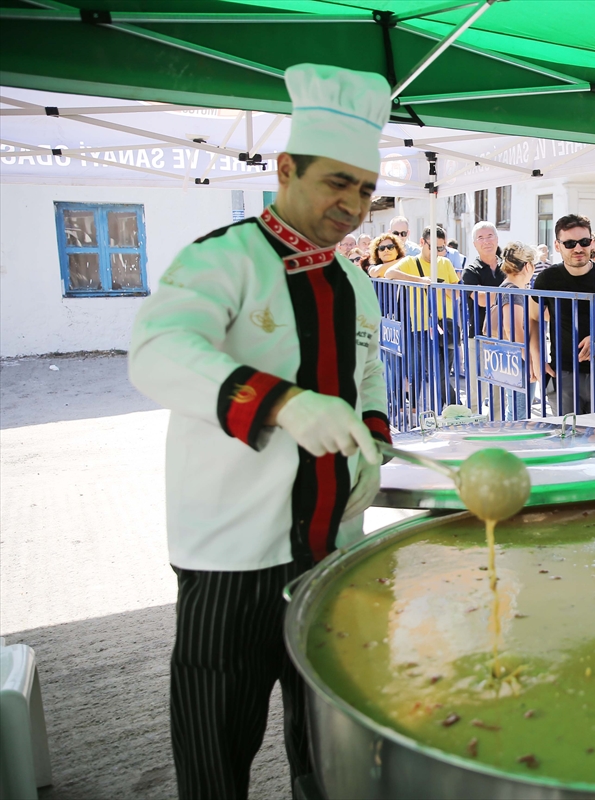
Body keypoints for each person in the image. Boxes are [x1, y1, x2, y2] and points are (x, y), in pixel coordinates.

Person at [127, 63, 392, 800]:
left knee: (329, 735)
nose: (353, 205)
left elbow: (367, 380)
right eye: (337, 182)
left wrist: (374, 438)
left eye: (366, 190)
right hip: (233, 552)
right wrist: (282, 403)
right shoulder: (222, 259)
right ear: (284, 168)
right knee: (217, 739)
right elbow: (154, 353)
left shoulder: (356, 281)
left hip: (333, 544)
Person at [530, 214, 595, 416]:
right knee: (568, 439)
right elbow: (533, 318)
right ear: (558, 245)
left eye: (584, 242)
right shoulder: (547, 278)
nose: (578, 248)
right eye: (570, 243)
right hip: (563, 372)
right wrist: (538, 358)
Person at [385, 226, 462, 410]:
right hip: (422, 326)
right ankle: (456, 407)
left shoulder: (445, 263)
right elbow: (389, 274)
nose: (436, 252)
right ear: (422, 242)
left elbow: (457, 293)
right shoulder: (411, 262)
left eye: (440, 248)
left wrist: (441, 288)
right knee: (438, 371)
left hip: (447, 325)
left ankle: (451, 411)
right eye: (433, 246)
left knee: (444, 372)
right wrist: (420, 281)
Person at [488, 241, 537, 420]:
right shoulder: (513, 290)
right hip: (519, 359)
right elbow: (513, 328)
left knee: (516, 410)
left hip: (512, 357)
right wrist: (532, 361)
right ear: (528, 266)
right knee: (519, 414)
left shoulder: (507, 287)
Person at [460, 221, 503, 337]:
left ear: (497, 239)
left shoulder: (508, 267)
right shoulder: (470, 271)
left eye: (490, 236)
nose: (486, 241)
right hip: (480, 334)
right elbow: (483, 300)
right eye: (480, 238)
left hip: (508, 333)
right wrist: (510, 293)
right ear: (474, 244)